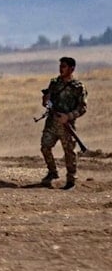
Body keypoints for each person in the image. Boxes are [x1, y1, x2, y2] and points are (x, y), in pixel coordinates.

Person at [40, 56, 88, 190]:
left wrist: (68, 116)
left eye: (64, 66)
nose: (61, 69)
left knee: (69, 152)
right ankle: (52, 173)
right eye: (60, 66)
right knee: (45, 147)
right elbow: (48, 103)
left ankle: (71, 180)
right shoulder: (54, 83)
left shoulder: (78, 87)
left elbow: (83, 107)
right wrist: (46, 101)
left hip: (67, 126)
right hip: (52, 123)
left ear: (72, 69)